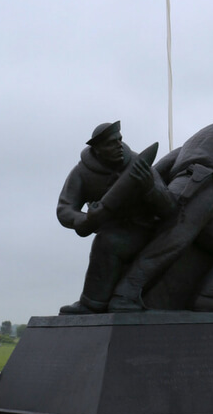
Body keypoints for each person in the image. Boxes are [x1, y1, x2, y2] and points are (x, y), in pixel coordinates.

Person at [108, 115, 213, 313]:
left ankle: (210, 296)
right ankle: (124, 295)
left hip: (203, 194)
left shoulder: (192, 143)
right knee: (169, 244)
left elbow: (158, 170)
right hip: (198, 187)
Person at [56, 121, 176, 314]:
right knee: (107, 240)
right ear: (97, 149)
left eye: (119, 140)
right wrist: (84, 219)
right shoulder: (82, 173)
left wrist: (150, 189)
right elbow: (64, 208)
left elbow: (170, 208)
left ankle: (94, 303)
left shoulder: (138, 164)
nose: (119, 145)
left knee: (109, 242)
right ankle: (92, 303)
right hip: (112, 229)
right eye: (111, 143)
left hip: (147, 229)